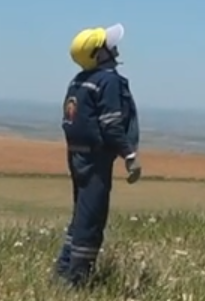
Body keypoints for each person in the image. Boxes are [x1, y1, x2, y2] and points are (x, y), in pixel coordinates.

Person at [54, 23, 142, 288]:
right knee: (92, 218)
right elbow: (111, 123)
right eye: (109, 45)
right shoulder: (108, 81)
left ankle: (63, 270)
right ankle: (76, 280)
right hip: (96, 159)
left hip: (77, 156)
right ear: (99, 53)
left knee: (81, 213)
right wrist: (129, 154)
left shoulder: (79, 81)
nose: (114, 48)